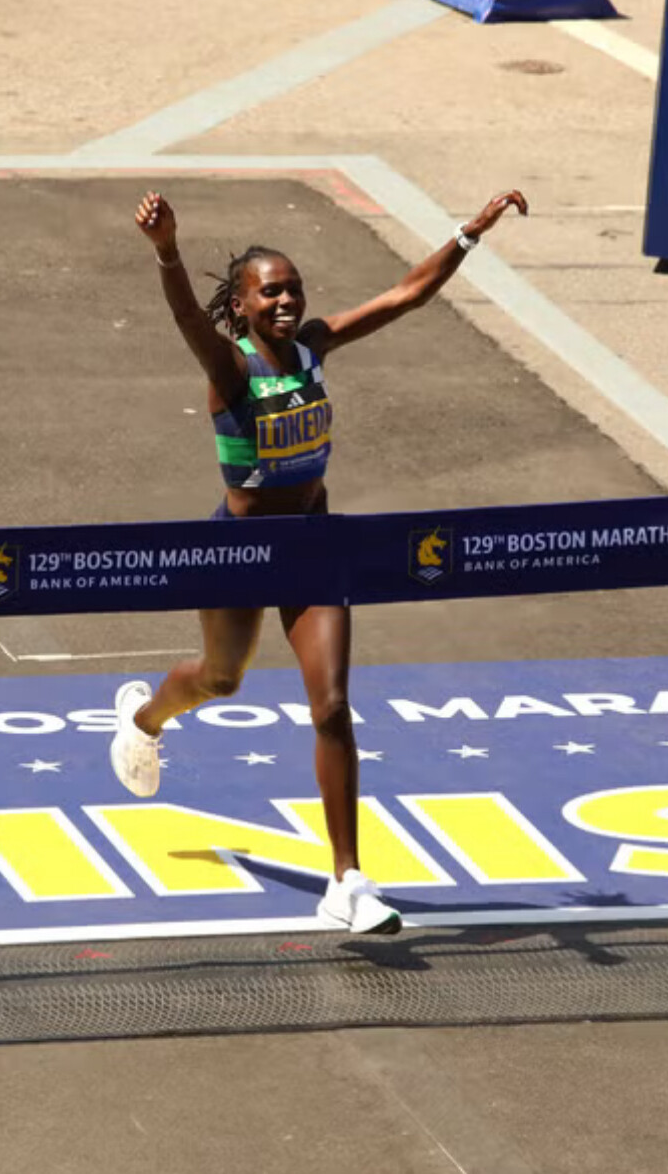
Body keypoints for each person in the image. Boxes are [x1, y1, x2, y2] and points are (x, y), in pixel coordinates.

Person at [110, 186, 528, 934]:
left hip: (314, 543)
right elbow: (185, 318)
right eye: (269, 291)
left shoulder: (314, 346)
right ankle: (144, 720)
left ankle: (347, 881)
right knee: (221, 678)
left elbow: (405, 295)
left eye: (293, 288)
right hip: (240, 553)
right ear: (241, 305)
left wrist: (467, 234)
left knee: (331, 706)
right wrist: (168, 251)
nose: (285, 300)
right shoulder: (231, 368)